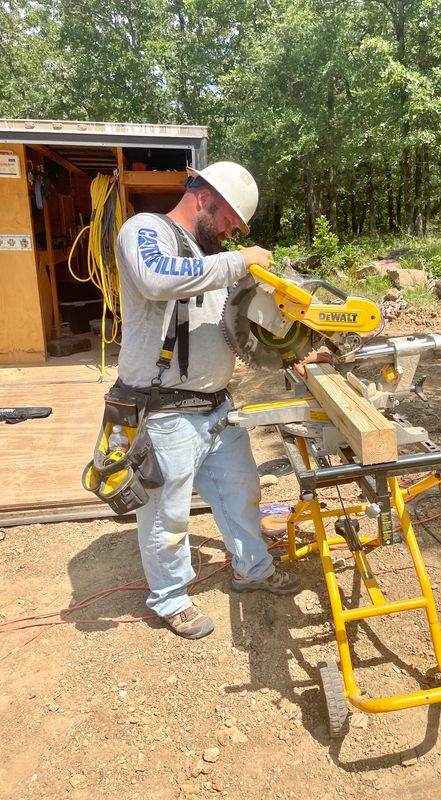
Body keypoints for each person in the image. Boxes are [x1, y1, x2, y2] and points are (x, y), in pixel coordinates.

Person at [115, 161, 308, 640]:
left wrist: (291, 352)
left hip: (216, 405)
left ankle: (253, 569)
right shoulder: (145, 231)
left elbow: (238, 330)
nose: (230, 232)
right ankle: (170, 599)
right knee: (167, 514)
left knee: (241, 492)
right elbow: (156, 278)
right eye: (228, 221)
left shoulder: (209, 259)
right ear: (205, 198)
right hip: (161, 407)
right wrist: (241, 261)